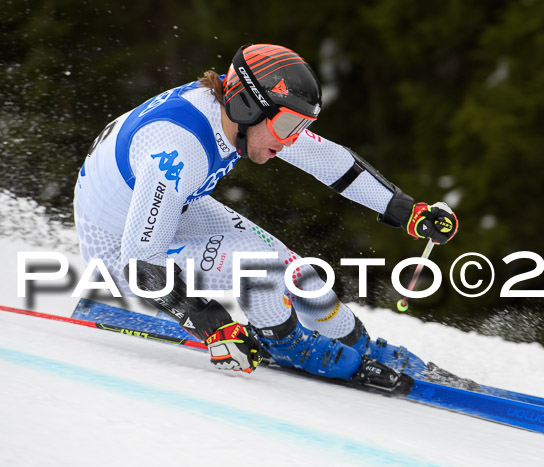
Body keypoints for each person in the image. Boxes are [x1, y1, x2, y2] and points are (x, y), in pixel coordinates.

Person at [74, 44, 458, 386]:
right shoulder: (181, 148)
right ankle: (289, 345)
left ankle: (359, 344)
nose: (293, 138)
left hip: (164, 208)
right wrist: (212, 325)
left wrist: (407, 211)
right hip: (115, 248)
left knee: (299, 273)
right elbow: (140, 263)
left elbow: (327, 159)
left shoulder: (241, 114)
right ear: (248, 107)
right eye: (290, 126)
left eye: (303, 126)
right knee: (263, 271)